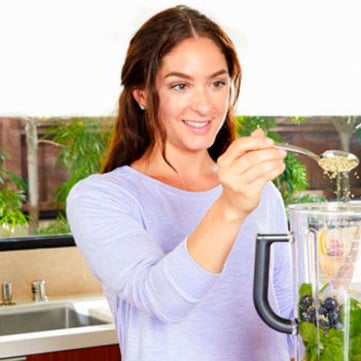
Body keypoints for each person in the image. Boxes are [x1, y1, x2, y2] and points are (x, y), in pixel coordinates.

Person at [66, 5, 294, 360]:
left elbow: (292, 315)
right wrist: (231, 207)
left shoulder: (261, 193)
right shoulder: (102, 198)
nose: (204, 105)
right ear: (141, 95)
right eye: (180, 85)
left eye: (217, 83)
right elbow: (163, 301)